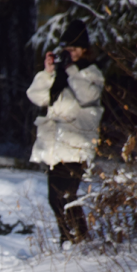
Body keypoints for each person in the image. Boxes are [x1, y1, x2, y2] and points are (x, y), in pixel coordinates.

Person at [26, 20, 103, 246]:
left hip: (76, 143)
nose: (70, 54)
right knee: (55, 198)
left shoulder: (91, 72)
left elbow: (87, 96)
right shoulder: (59, 76)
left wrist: (70, 69)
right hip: (55, 145)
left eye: (75, 50)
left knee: (66, 195)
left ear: (84, 50)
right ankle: (69, 240)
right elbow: (37, 96)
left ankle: (79, 241)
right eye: (67, 50)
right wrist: (48, 71)